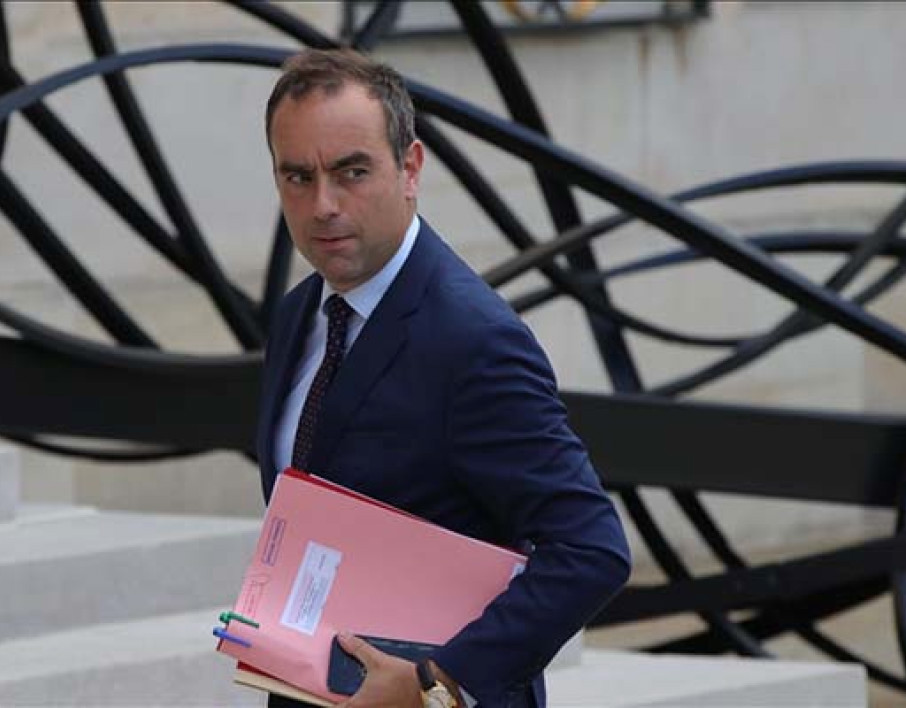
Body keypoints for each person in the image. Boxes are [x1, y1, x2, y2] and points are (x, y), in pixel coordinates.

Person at [254, 48, 631, 708]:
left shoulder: (473, 339)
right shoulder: (299, 315)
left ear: (411, 168)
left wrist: (439, 682)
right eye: (298, 177)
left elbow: (591, 548)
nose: (323, 205)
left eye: (351, 172)